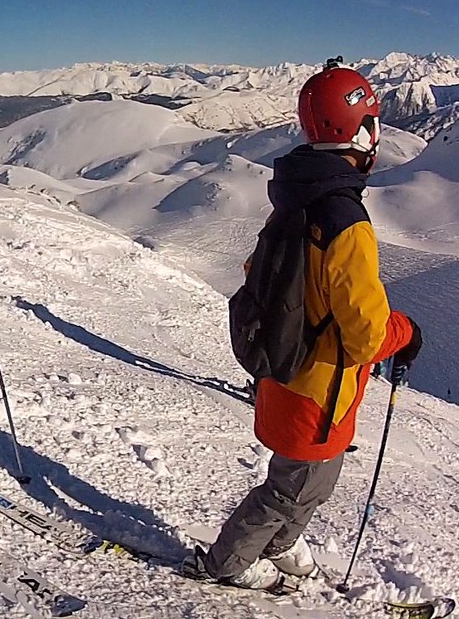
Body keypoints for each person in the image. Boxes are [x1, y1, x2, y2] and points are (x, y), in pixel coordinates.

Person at [186, 60, 423, 589]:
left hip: (282, 371)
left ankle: (283, 544)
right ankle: (226, 566)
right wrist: (406, 334)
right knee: (291, 488)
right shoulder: (346, 222)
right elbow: (365, 335)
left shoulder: (292, 199)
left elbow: (259, 275)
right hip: (321, 390)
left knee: (309, 482)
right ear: (361, 130)